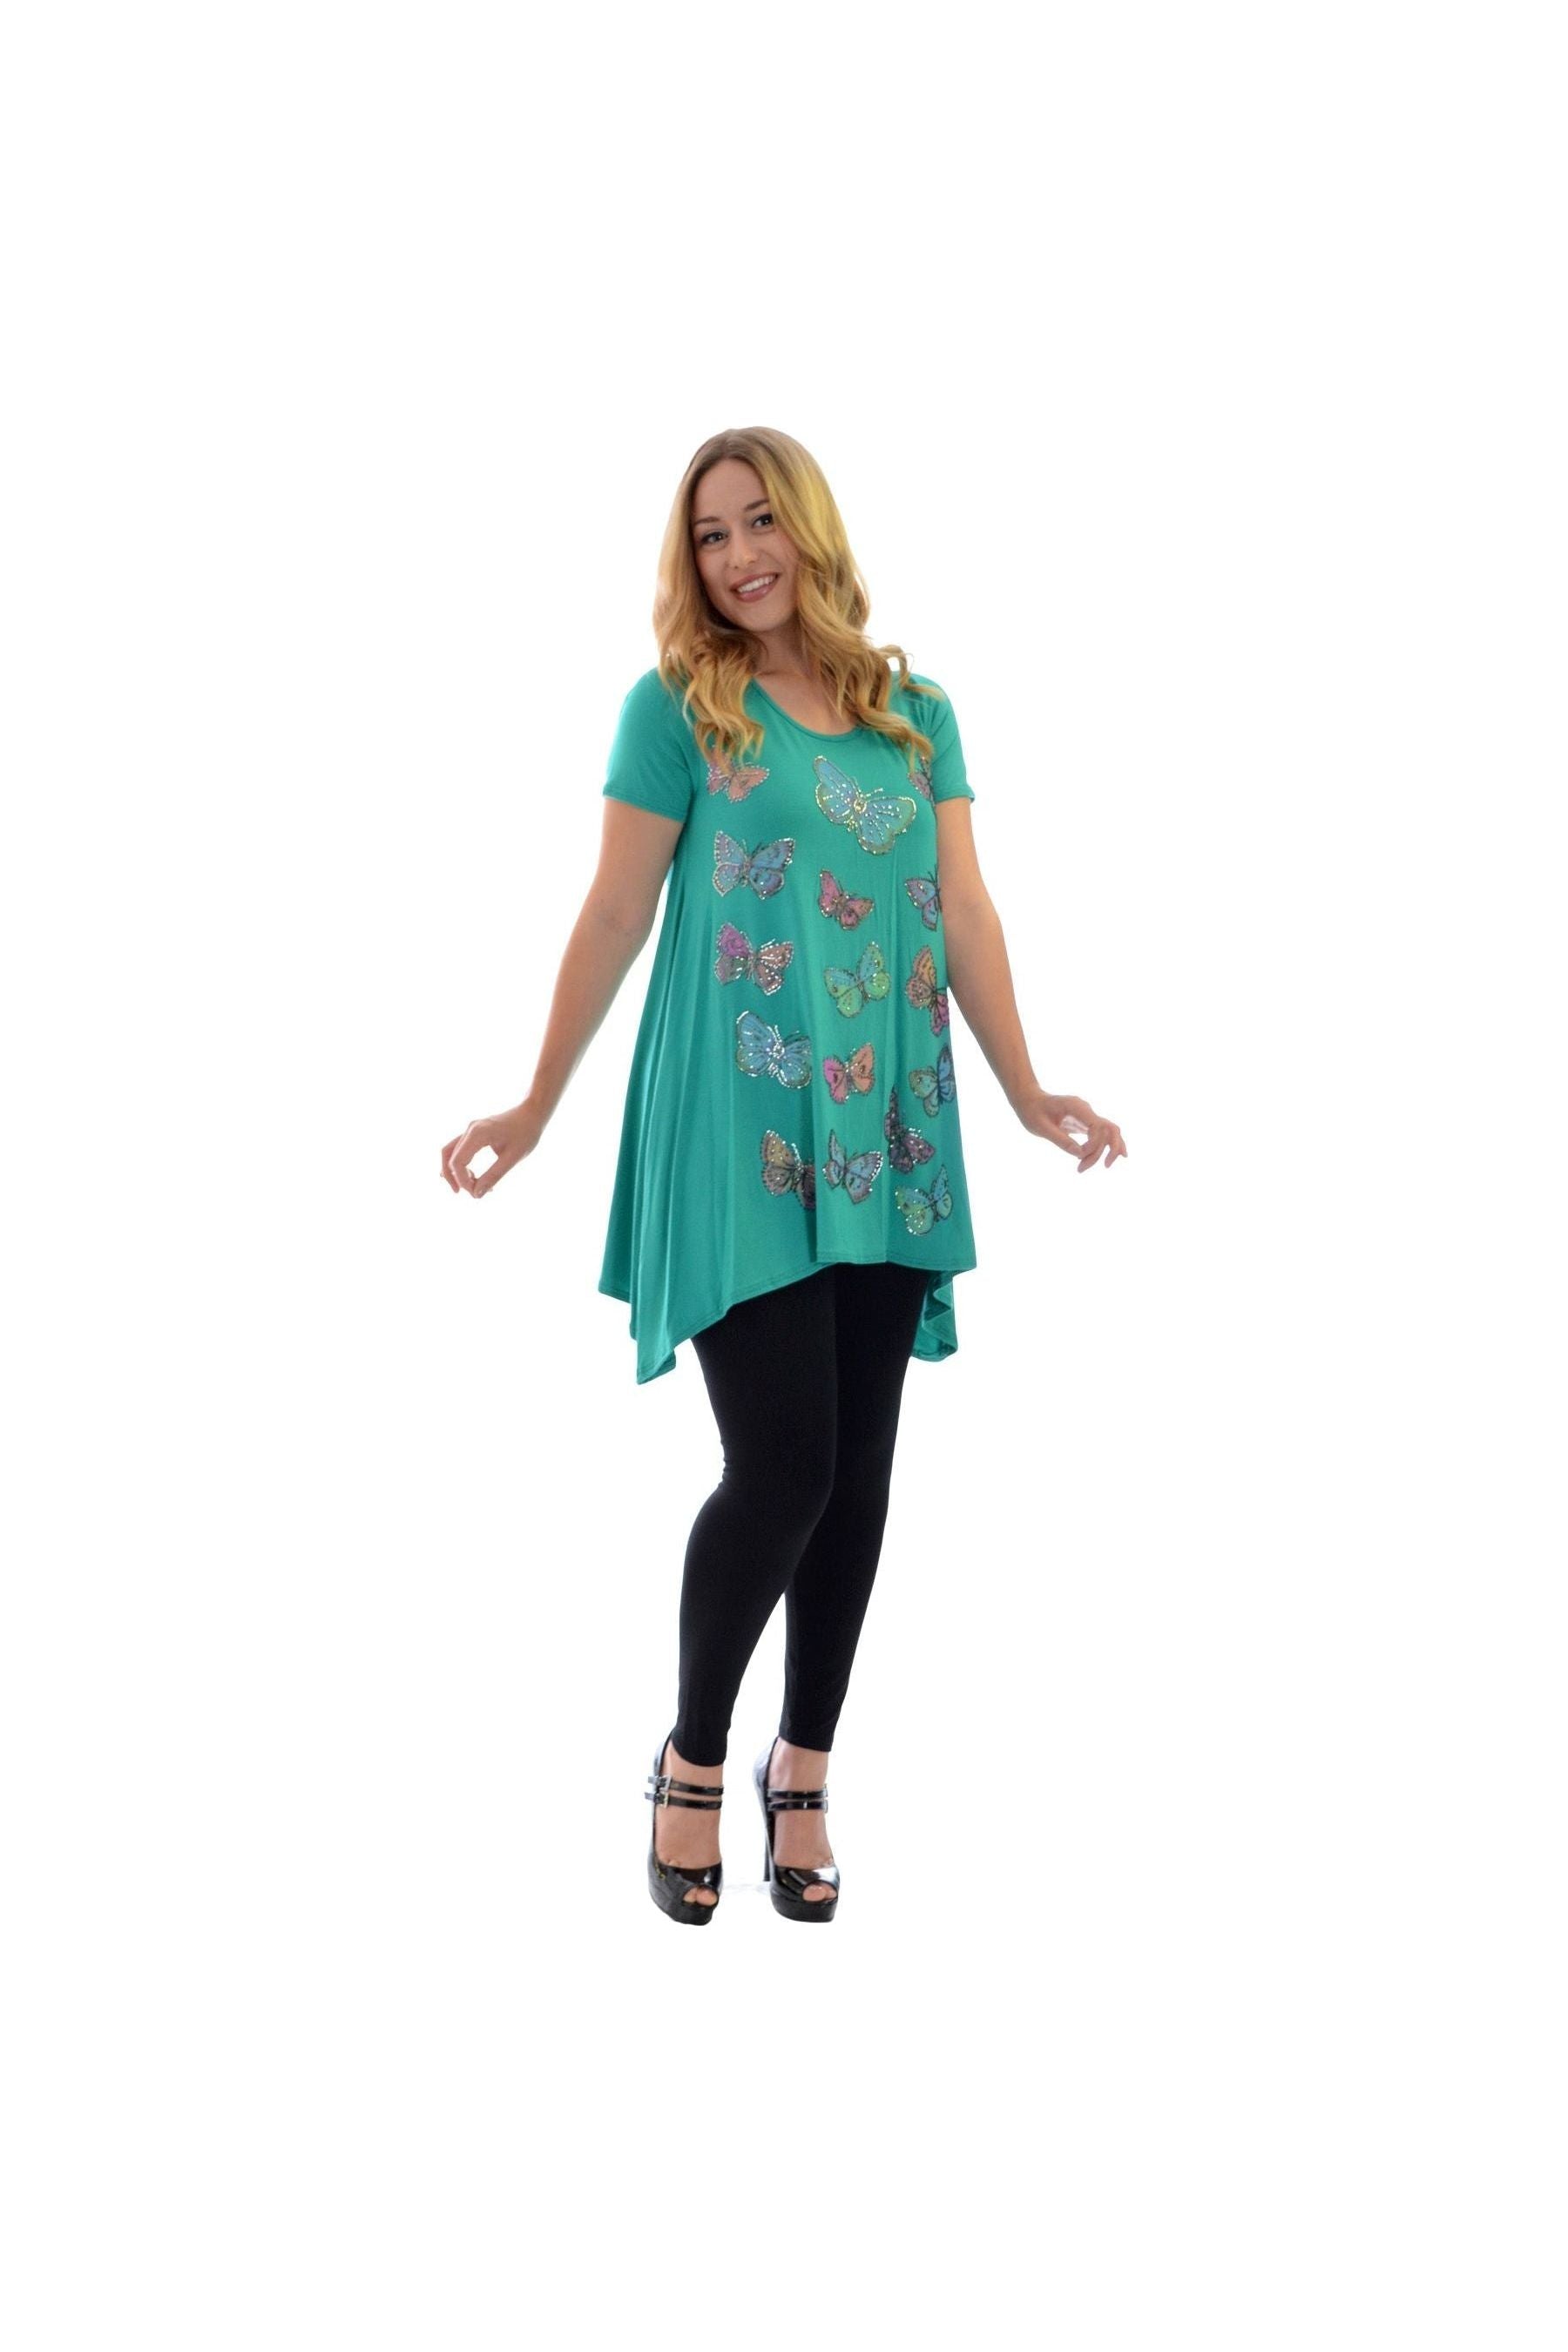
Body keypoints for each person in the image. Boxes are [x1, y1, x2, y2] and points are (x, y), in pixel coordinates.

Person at [441, 426, 1127, 1927]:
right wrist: (537, 1104)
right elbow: (615, 911)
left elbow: (963, 910)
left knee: (859, 1474)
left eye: (760, 521)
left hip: (887, 1118)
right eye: (710, 535)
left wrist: (1027, 1090)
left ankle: (801, 1767)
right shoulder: (679, 708)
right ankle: (693, 1757)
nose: (740, 555)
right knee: (786, 1468)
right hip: (739, 1119)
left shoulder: (918, 714)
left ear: (809, 528)